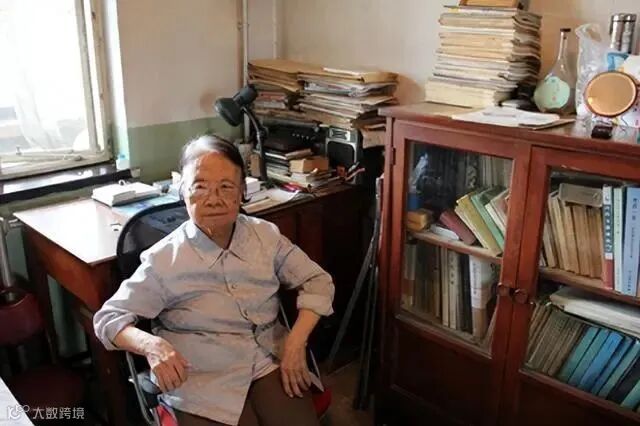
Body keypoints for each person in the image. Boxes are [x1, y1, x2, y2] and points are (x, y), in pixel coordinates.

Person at [93, 134, 335, 426]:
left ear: (242, 191)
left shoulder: (265, 236)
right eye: (200, 186)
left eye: (226, 187)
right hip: (201, 377)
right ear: (182, 191)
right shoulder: (164, 259)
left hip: (268, 359)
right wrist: (152, 346)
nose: (214, 199)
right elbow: (108, 319)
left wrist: (296, 343)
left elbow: (317, 281)